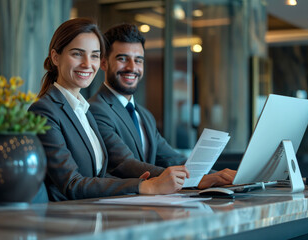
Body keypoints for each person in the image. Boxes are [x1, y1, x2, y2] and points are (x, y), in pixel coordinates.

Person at [29, 18, 189, 201]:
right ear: (56, 57)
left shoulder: (83, 110)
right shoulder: (43, 111)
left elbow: (99, 176)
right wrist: (144, 186)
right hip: (67, 221)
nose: (87, 64)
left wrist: (139, 184)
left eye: (94, 55)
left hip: (95, 214)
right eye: (77, 54)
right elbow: (71, 184)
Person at [88, 23, 236, 189]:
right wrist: (191, 179)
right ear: (103, 63)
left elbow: (172, 158)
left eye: (138, 60)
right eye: (122, 59)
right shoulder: (95, 109)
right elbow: (124, 164)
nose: (132, 67)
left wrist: (219, 175)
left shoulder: (144, 115)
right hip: (120, 206)